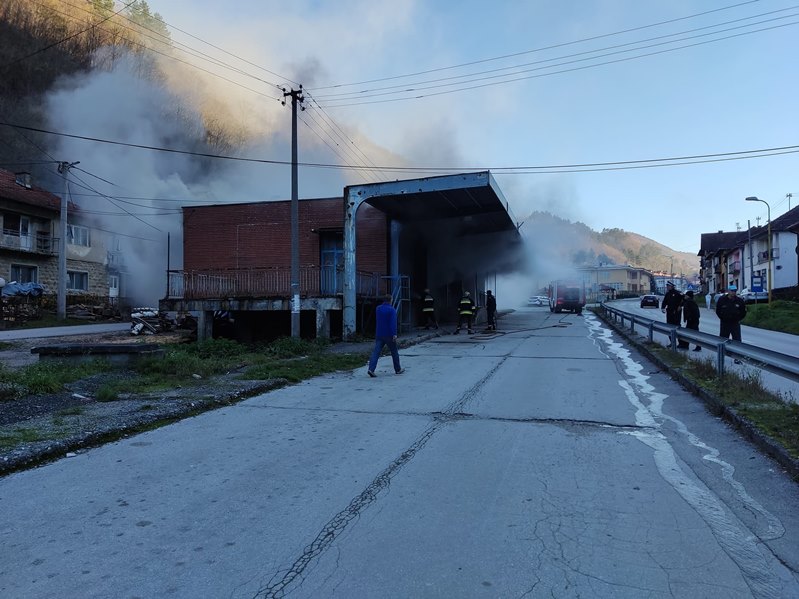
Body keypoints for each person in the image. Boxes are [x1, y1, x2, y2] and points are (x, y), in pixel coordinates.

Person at [367, 294, 404, 377]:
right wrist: (394, 334)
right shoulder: (392, 310)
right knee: (394, 352)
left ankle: (371, 369)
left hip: (379, 334)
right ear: (391, 300)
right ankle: (398, 369)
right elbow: (392, 323)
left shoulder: (378, 308)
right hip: (389, 335)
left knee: (376, 352)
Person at [661, 281, 689, 348]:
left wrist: (681, 306)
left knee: (677, 327)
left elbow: (685, 298)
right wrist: (663, 308)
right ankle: (672, 342)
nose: (667, 287)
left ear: (672, 286)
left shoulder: (678, 293)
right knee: (669, 327)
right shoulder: (667, 294)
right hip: (669, 313)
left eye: (668, 286)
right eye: (667, 286)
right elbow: (664, 301)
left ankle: (681, 343)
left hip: (676, 313)